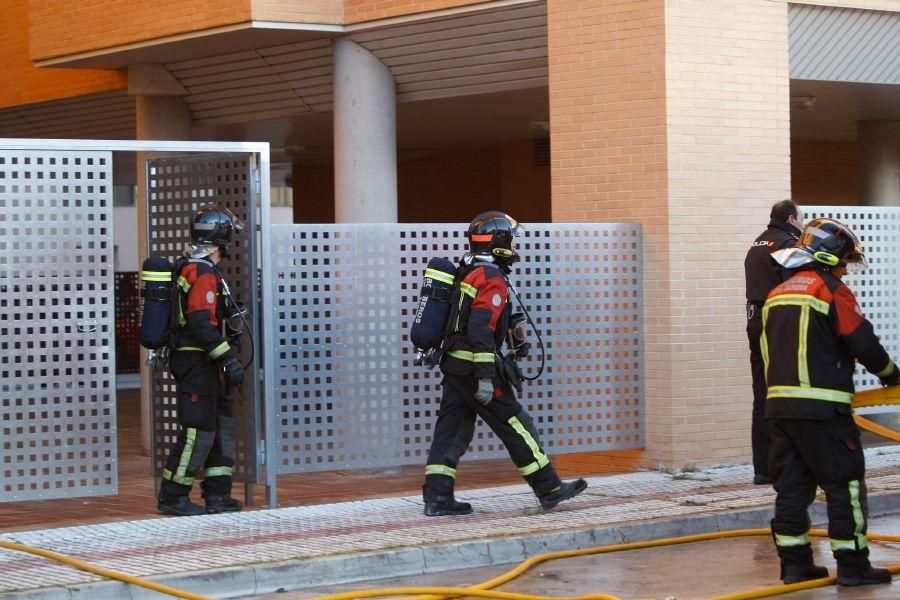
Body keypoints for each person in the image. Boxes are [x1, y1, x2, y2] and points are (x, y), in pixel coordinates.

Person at [422, 211, 587, 516]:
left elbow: (478, 318)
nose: (514, 244)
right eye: (510, 238)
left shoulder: (468, 271)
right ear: (499, 242)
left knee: (451, 431)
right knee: (516, 424)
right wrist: (486, 377)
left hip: (455, 368)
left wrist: (515, 337)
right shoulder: (491, 278)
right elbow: (480, 328)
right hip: (474, 368)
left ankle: (437, 497)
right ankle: (549, 488)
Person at [763, 218, 899, 586]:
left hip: (779, 409)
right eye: (843, 262)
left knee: (792, 489)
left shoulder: (778, 294)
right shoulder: (829, 291)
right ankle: (853, 567)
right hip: (823, 410)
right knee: (845, 486)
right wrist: (891, 375)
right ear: (828, 257)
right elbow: (863, 341)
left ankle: (794, 565)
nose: (844, 269)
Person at [157, 205, 246, 517]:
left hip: (205, 363)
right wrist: (228, 360)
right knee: (199, 430)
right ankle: (173, 496)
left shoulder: (202, 270)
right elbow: (199, 323)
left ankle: (218, 496)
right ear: (221, 236)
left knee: (221, 427)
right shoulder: (202, 272)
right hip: (196, 362)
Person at [744, 199, 804, 485]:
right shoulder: (788, 245)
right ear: (792, 218)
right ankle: (785, 464)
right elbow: (792, 290)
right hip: (776, 323)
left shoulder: (758, 243)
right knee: (784, 393)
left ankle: (763, 468)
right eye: (801, 219)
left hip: (755, 319)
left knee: (762, 394)